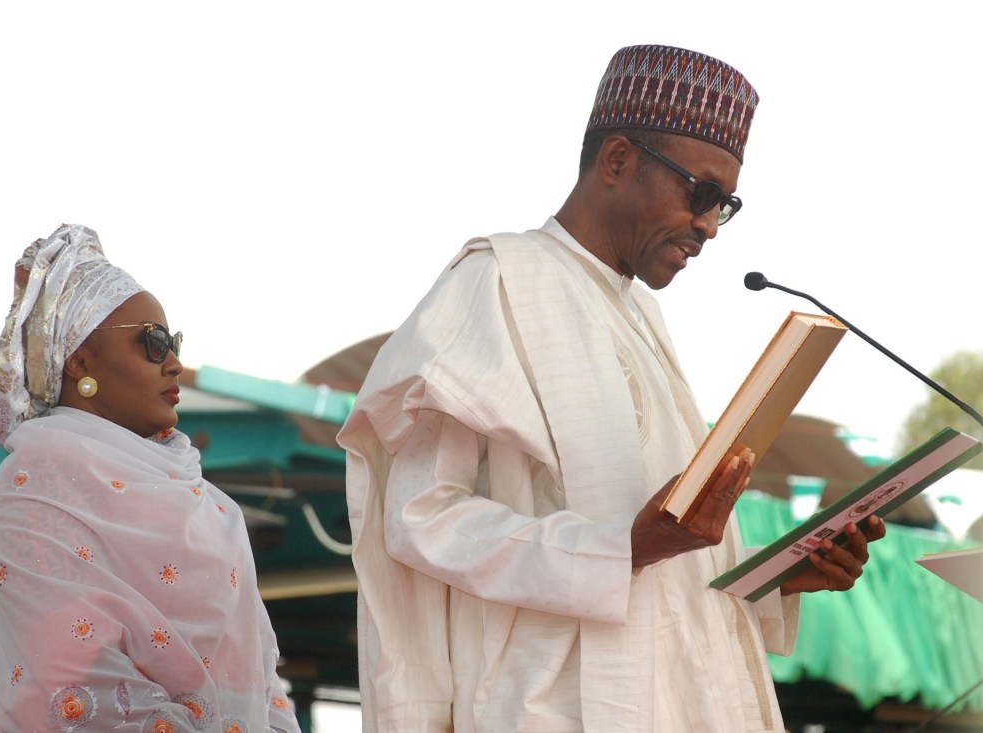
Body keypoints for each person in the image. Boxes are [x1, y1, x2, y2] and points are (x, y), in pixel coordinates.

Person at [337, 44, 886, 732]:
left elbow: (671, 550)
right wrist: (621, 547)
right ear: (618, 159)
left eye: (727, 205)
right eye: (702, 193)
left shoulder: (641, 315)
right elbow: (420, 517)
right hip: (559, 706)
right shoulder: (498, 278)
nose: (710, 226)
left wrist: (778, 574)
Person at [0, 225, 301, 733]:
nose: (175, 365)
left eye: (175, 343)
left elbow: (263, 688)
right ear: (81, 361)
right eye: (154, 342)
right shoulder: (35, 488)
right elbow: (73, 678)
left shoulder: (214, 509)